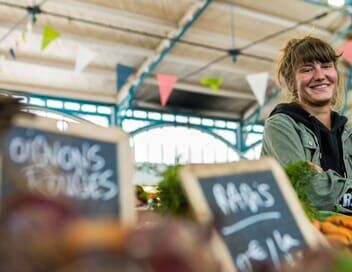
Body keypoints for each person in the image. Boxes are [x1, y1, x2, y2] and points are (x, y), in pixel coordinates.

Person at [261, 36, 352, 213]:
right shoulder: (280, 126)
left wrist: (324, 180)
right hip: (304, 236)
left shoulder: (347, 133)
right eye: (307, 69)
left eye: (326, 66)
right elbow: (307, 189)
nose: (320, 76)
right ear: (291, 84)